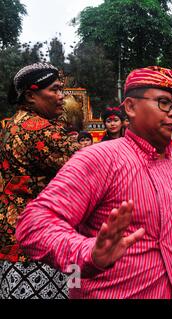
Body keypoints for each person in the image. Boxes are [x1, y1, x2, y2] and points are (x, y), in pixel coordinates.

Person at [15, 65, 172, 299]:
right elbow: (34, 223)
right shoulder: (100, 158)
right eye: (163, 102)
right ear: (130, 107)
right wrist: (87, 252)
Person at [0, 62, 80, 299]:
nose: (61, 97)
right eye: (54, 90)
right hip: (40, 243)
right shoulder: (41, 130)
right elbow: (90, 166)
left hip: (11, 238)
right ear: (31, 95)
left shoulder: (8, 126)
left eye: (61, 90)